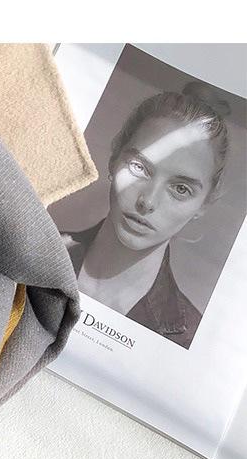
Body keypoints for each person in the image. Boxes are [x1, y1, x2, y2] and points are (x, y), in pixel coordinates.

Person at [62, 82, 231, 349]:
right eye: (139, 167)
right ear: (114, 160)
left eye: (181, 189)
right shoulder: (35, 252)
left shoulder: (188, 340)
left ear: (204, 204)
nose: (148, 201)